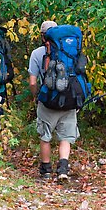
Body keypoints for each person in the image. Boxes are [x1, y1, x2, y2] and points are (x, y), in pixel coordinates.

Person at [28, 20, 79, 181]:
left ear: (43, 36)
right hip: (70, 100)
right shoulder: (72, 51)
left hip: (48, 101)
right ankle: (63, 170)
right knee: (65, 137)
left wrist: (36, 96)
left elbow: (32, 82)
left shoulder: (37, 53)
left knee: (45, 136)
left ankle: (46, 171)